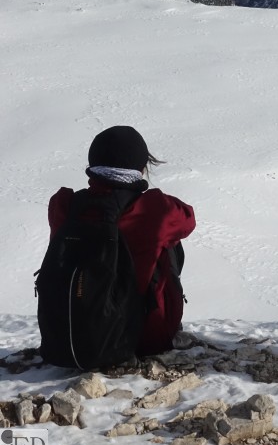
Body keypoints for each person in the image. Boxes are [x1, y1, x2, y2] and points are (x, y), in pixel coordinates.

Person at [47, 125, 196, 357]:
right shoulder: (155, 209)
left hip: (66, 338)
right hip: (143, 339)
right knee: (170, 241)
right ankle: (164, 326)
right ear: (139, 166)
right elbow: (188, 219)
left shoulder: (64, 205)